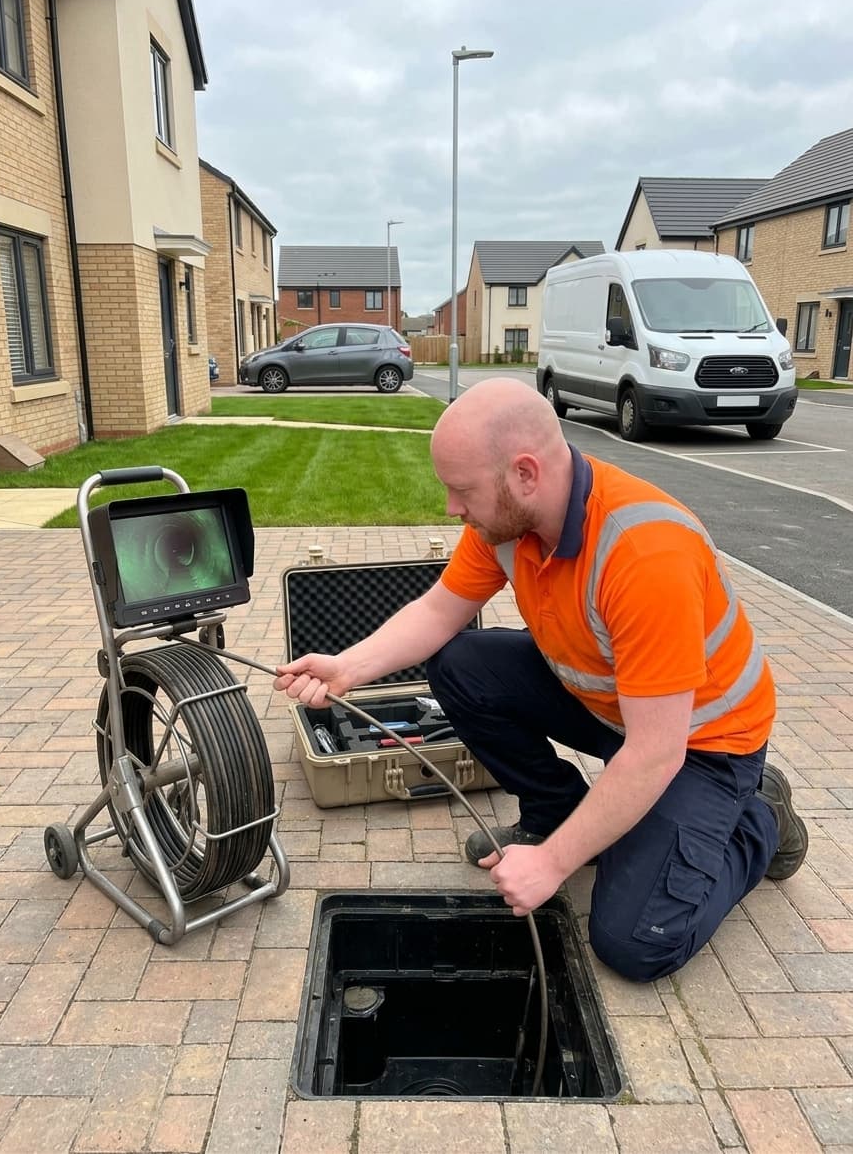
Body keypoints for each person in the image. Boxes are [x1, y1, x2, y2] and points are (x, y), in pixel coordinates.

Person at [275, 378, 808, 983]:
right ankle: (556, 810)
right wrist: (349, 666)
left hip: (699, 747)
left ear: (525, 473)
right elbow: (435, 613)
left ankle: (758, 818)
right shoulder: (507, 524)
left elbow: (655, 754)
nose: (453, 508)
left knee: (635, 943)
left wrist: (552, 866)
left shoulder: (644, 554)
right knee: (461, 664)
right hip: (613, 709)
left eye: (461, 490)